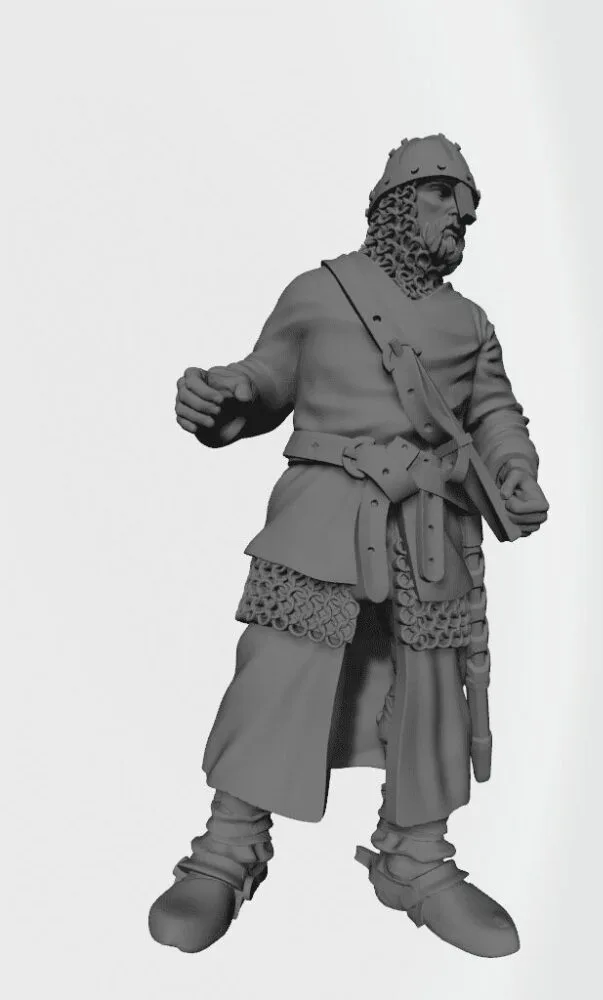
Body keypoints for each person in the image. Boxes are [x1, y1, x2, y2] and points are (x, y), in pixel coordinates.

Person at [149, 135, 549, 958]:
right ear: (396, 201)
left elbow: (494, 413)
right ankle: (229, 848)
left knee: (430, 692)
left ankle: (415, 859)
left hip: (430, 528)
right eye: (443, 194)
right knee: (278, 677)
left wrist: (515, 468)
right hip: (323, 517)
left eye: (467, 205)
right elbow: (268, 378)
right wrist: (227, 395)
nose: (461, 214)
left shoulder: (470, 322)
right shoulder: (320, 292)